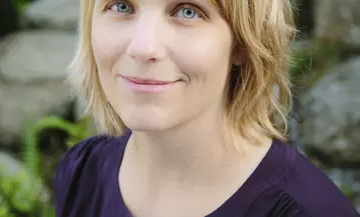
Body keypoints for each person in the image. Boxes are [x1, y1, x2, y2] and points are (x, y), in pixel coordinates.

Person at [54, 0, 360, 216]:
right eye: (121, 6)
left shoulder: (311, 210)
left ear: (242, 43)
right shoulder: (82, 173)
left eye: (188, 11)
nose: (143, 46)